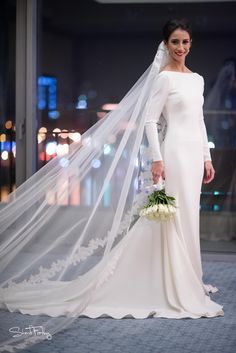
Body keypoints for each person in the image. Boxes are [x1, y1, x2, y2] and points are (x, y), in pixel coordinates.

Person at [0, 18, 224, 352]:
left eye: (186, 42)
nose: (181, 48)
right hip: (174, 152)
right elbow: (150, 120)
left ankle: (190, 277)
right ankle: (173, 281)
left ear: (191, 44)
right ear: (167, 44)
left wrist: (207, 157)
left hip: (194, 154)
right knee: (173, 214)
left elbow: (200, 119)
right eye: (175, 42)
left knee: (189, 214)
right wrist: (157, 159)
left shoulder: (198, 79)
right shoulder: (163, 78)